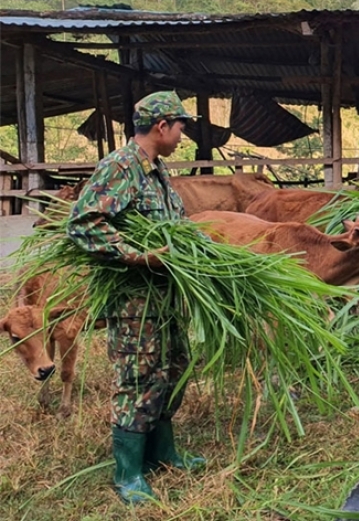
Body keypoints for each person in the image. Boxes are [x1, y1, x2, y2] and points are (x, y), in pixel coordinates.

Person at [66, 91, 205, 504]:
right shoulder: (121, 166)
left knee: (175, 365)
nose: (184, 135)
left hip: (165, 296)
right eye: (181, 126)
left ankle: (162, 454)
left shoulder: (156, 170)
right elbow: (84, 223)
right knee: (139, 378)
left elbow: (174, 225)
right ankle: (128, 472)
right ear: (162, 126)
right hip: (134, 302)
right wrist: (137, 255)